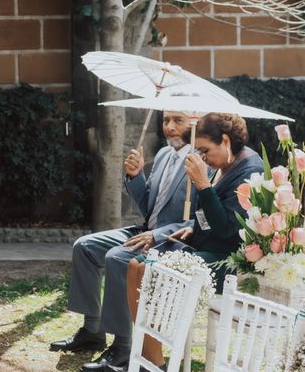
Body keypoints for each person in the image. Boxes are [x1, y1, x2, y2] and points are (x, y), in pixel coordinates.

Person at [50, 111, 197, 372]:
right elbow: (147, 206)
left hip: (170, 241)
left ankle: (123, 345)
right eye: (165, 121)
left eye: (178, 121)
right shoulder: (163, 154)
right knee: (84, 247)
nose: (170, 127)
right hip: (144, 230)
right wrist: (136, 176)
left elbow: (195, 222)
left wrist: (158, 235)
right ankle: (92, 331)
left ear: (194, 123)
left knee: (117, 258)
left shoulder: (201, 162)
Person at [126, 113, 264, 370]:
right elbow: (209, 215)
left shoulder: (250, 170)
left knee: (147, 270)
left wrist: (202, 184)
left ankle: (154, 360)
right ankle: (148, 355)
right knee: (135, 265)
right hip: (201, 246)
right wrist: (191, 226)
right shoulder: (222, 165)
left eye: (205, 150)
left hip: (226, 260)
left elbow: (227, 229)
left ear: (225, 140)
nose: (202, 157)